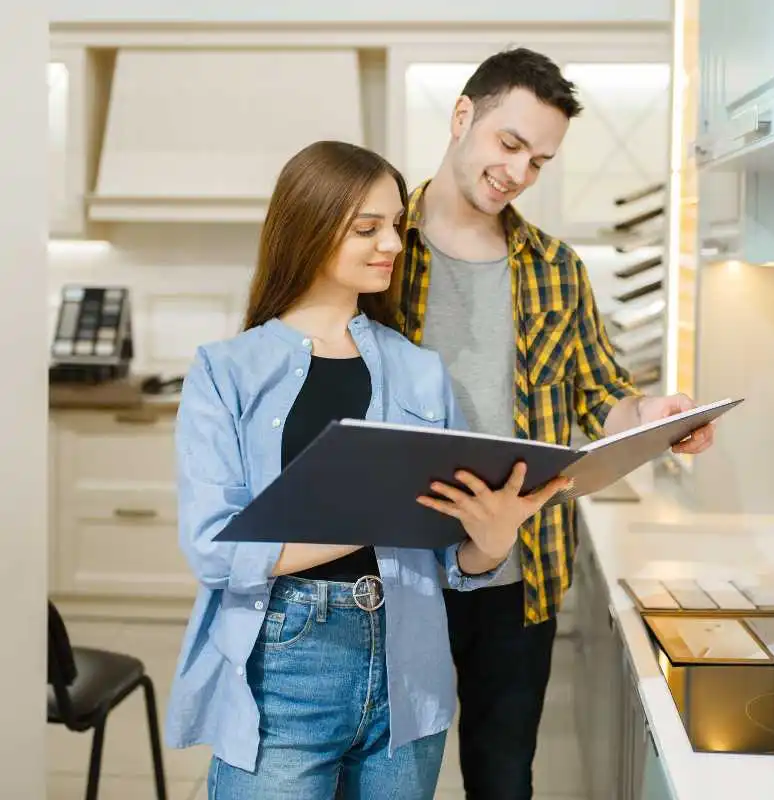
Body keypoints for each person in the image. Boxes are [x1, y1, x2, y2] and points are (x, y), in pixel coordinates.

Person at [162, 140, 570, 800]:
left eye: (396, 228)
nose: (393, 245)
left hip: (410, 671)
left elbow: (451, 561)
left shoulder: (419, 370)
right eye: (368, 228)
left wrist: (492, 536)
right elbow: (215, 547)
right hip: (284, 666)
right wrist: (378, 516)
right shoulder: (224, 372)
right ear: (311, 226)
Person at [397, 48, 716, 798]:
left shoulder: (554, 267)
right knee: (393, 778)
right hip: (399, 572)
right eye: (510, 145)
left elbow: (602, 394)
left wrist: (655, 416)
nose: (518, 172)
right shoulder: (383, 247)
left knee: (504, 778)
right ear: (462, 116)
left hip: (521, 574)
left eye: (539, 161)